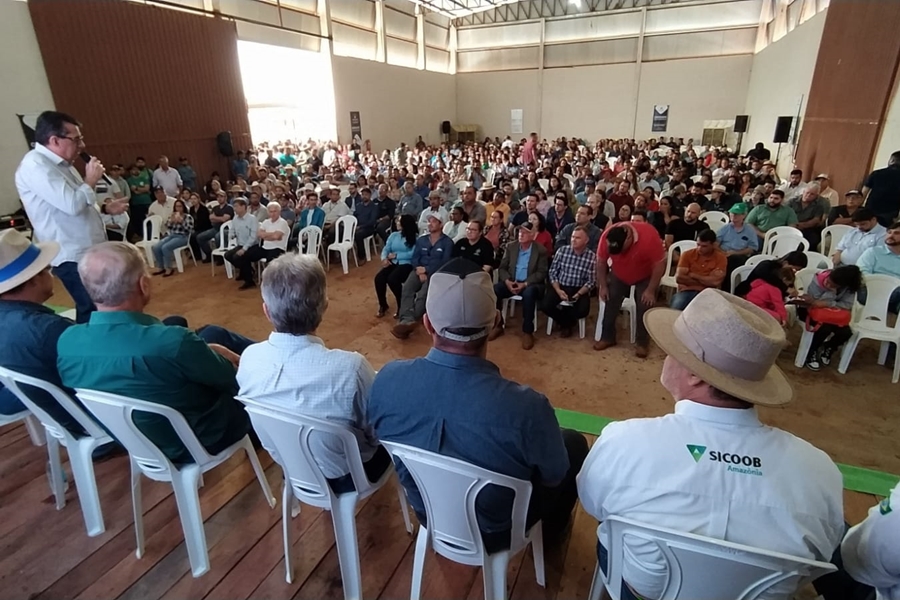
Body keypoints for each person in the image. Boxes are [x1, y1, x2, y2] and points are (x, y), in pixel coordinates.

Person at [578, 289, 844, 600]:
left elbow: (593, 504)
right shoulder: (818, 471)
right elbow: (824, 550)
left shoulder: (624, 441)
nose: (666, 356)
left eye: (673, 350)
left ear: (694, 375)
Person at [368, 258, 588, 552]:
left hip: (427, 512)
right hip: (498, 530)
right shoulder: (528, 408)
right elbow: (553, 476)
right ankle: (549, 539)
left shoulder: (386, 380)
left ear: (428, 322)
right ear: (496, 321)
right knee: (572, 443)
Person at [56, 242, 257, 464]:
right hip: (199, 439)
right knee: (243, 378)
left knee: (211, 334)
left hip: (135, 441)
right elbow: (233, 382)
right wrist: (223, 360)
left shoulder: (67, 342)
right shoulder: (174, 342)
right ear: (143, 285)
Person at [237, 254, 388, 491]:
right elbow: (377, 434)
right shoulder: (351, 368)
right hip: (348, 474)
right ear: (324, 305)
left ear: (266, 311)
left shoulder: (249, 359)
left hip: (290, 465)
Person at [14, 111, 119, 323]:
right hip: (71, 254)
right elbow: (72, 204)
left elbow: (79, 204)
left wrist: (106, 208)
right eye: (76, 139)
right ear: (54, 140)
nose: (82, 145)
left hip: (87, 250)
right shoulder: (36, 166)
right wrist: (90, 180)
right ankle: (87, 353)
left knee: (100, 307)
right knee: (91, 309)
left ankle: (95, 349)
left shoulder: (63, 165)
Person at [0, 230, 87, 434]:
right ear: (35, 279)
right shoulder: (47, 328)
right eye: (47, 269)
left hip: (20, 400)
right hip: (81, 420)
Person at [593, 221, 666, 358]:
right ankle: (607, 337)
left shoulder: (649, 237)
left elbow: (659, 264)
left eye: (621, 249)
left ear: (629, 238)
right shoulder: (606, 237)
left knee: (644, 304)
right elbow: (601, 261)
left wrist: (651, 289)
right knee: (610, 300)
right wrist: (602, 286)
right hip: (619, 273)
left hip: (645, 274)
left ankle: (642, 343)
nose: (619, 253)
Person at [390, 215, 454, 339]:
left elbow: (445, 262)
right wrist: (419, 270)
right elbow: (415, 258)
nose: (430, 224)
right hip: (418, 271)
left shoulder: (447, 242)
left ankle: (411, 320)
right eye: (429, 221)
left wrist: (427, 270)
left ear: (441, 224)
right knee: (407, 288)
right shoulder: (422, 240)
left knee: (424, 293)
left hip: (437, 274)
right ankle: (406, 320)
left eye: (434, 221)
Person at [489, 222, 549, 350]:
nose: (521, 234)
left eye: (526, 232)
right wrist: (507, 281)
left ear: (533, 235)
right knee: (495, 290)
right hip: (512, 282)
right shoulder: (511, 247)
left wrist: (525, 284)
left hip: (531, 284)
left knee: (529, 294)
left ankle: (527, 332)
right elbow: (502, 268)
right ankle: (498, 325)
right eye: (520, 231)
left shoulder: (540, 250)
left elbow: (541, 273)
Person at [797, 265, 863, 371]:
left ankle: (829, 347)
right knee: (824, 329)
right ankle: (811, 352)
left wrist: (828, 303)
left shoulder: (849, 288)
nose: (827, 283)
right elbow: (813, 302)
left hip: (833, 315)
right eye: (828, 281)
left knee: (846, 332)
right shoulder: (818, 278)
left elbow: (847, 305)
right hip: (810, 312)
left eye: (833, 285)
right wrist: (831, 293)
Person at [542, 226, 596, 338]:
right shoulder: (562, 251)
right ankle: (567, 323)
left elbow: (591, 281)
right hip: (560, 285)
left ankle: (564, 323)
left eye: (578, 238)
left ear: (586, 240)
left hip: (579, 288)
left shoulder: (591, 257)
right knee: (545, 305)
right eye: (572, 237)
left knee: (582, 311)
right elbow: (552, 272)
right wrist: (558, 290)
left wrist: (579, 294)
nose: (573, 240)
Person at [231, 203, 290, 290]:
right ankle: (249, 281)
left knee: (272, 263)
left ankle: (272, 285)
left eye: (275, 211)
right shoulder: (266, 222)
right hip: (264, 247)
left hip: (278, 248)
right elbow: (259, 234)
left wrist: (266, 235)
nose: (273, 214)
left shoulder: (283, 223)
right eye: (271, 211)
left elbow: (276, 237)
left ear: (279, 212)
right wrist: (272, 235)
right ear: (268, 212)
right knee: (245, 255)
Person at [670, 229, 727, 310]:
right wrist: (706, 280)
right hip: (686, 291)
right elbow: (679, 278)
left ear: (713, 245)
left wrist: (693, 275)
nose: (699, 248)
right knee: (676, 308)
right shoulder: (687, 254)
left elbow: (715, 282)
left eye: (704, 246)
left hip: (709, 293)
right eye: (698, 245)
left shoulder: (721, 258)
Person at [374, 215, 417, 318]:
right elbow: (386, 248)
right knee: (379, 279)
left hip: (406, 264)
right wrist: (384, 258)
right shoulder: (393, 235)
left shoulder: (415, 237)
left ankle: (402, 305)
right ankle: (383, 305)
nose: (397, 223)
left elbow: (413, 253)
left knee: (393, 279)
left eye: (399, 221)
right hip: (392, 262)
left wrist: (397, 255)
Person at [856, 221, 900, 314]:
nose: (890, 236)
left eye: (896, 233)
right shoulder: (873, 252)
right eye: (889, 232)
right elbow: (862, 272)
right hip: (871, 290)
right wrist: (883, 285)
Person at [716, 202, 759, 284]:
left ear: (743, 215)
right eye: (732, 213)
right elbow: (716, 243)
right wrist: (722, 253)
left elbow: (752, 248)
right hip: (723, 254)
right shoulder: (724, 228)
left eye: (736, 214)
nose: (733, 216)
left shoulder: (749, 230)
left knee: (733, 261)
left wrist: (735, 253)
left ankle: (729, 287)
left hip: (740, 256)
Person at [151, 199, 193, 277]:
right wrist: (171, 221)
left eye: (180, 206)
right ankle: (161, 267)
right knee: (156, 247)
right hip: (172, 236)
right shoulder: (173, 215)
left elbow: (189, 230)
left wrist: (181, 221)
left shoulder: (188, 217)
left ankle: (169, 268)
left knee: (165, 247)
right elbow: (168, 227)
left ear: (183, 207)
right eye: (177, 206)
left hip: (182, 237)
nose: (178, 208)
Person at [223, 198, 260, 289]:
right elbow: (232, 230)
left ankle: (249, 281)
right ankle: (246, 271)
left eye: (236, 206)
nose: (234, 209)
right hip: (240, 244)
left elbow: (253, 236)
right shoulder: (235, 218)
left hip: (253, 245)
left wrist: (244, 249)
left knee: (239, 256)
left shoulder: (252, 219)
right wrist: (231, 235)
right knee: (227, 255)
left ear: (243, 207)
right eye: (234, 206)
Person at [862, 150, 900, 226]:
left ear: (891, 160)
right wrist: (897, 217)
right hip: (889, 214)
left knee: (865, 234)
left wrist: (859, 210)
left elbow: (863, 193)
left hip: (870, 210)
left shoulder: (877, 173)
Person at [197, 190, 234, 262]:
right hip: (215, 228)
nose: (219, 198)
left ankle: (221, 258)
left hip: (225, 229)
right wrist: (219, 218)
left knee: (218, 237)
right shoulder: (215, 208)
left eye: (221, 196)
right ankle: (209, 255)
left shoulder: (229, 207)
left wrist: (216, 218)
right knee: (200, 237)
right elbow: (211, 219)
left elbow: (225, 219)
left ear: (225, 197)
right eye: (218, 197)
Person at [791, 184, 827, 250]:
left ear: (816, 196)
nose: (808, 195)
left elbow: (815, 220)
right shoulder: (792, 202)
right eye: (807, 192)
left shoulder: (818, 206)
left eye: (812, 194)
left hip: (808, 229)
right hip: (791, 226)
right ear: (803, 191)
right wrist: (793, 225)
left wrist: (799, 225)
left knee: (813, 240)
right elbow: (785, 215)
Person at [353, 186, 380, 261]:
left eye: (366, 194)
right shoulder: (358, 206)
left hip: (369, 228)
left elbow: (372, 221)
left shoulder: (374, 206)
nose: (364, 196)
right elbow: (354, 216)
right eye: (362, 194)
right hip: (357, 227)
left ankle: (362, 256)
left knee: (358, 235)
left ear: (370, 195)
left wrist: (360, 227)